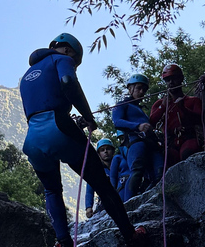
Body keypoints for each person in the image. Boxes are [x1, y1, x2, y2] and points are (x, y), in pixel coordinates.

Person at [20, 33, 148, 247]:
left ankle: (63, 242)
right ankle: (131, 235)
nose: (74, 67)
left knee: (51, 190)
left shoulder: (26, 76)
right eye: (76, 64)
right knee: (101, 183)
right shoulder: (62, 59)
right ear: (69, 50)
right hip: (58, 127)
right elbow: (68, 81)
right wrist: (88, 117)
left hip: (32, 138)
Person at [112, 73, 165, 200]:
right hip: (136, 141)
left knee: (159, 174)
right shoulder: (122, 105)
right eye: (138, 88)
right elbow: (117, 122)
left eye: (144, 90)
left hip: (151, 144)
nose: (141, 92)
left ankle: (147, 201)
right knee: (137, 171)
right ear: (130, 89)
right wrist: (138, 126)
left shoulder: (141, 110)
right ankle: (128, 206)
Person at [149, 63, 204, 168]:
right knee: (166, 162)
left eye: (174, 79)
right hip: (170, 143)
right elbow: (151, 122)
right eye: (168, 80)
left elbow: (200, 119)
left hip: (188, 138)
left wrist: (183, 108)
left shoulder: (193, 101)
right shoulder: (159, 104)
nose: (171, 83)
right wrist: (162, 107)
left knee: (187, 155)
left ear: (181, 79)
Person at [84, 138, 117, 218]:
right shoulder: (96, 171)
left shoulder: (120, 165)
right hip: (105, 202)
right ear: (99, 154)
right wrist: (88, 207)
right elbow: (89, 191)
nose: (105, 151)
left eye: (108, 149)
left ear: (112, 151)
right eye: (102, 150)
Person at [110, 131, 131, 202]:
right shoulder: (118, 158)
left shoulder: (139, 152)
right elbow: (113, 176)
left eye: (125, 138)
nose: (124, 141)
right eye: (121, 139)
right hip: (122, 185)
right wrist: (112, 192)